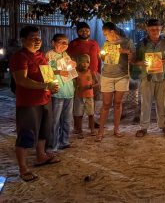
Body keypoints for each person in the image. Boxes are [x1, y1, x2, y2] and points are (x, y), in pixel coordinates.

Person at [9, 26, 61, 182]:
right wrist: (45, 86)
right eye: (33, 38)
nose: (37, 40)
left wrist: (55, 79)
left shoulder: (41, 56)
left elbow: (47, 74)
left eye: (38, 38)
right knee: (26, 134)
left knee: (44, 131)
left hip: (44, 99)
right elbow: (21, 80)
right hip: (28, 102)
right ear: (23, 40)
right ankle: (23, 168)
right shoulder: (20, 57)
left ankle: (41, 156)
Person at [96, 22, 135, 141]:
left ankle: (116, 129)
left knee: (118, 103)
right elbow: (103, 58)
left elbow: (133, 58)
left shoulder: (127, 41)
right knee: (106, 104)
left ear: (112, 32)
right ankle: (101, 131)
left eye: (105, 34)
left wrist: (126, 52)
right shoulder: (106, 43)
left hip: (122, 75)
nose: (105, 36)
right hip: (107, 75)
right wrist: (101, 55)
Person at [134, 19, 165, 137]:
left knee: (162, 103)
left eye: (157, 29)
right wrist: (142, 63)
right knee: (146, 103)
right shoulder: (141, 44)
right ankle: (144, 128)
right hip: (147, 78)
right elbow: (135, 61)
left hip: (162, 77)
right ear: (147, 30)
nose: (155, 31)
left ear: (161, 29)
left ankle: (163, 126)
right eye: (152, 29)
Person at [67, 22, 102, 127]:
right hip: (78, 75)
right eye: (81, 30)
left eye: (86, 30)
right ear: (77, 32)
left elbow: (98, 58)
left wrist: (98, 72)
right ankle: (77, 125)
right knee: (78, 98)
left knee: (95, 98)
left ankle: (93, 121)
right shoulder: (73, 44)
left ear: (89, 31)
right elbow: (68, 59)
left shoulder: (94, 43)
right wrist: (73, 74)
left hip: (94, 73)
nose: (84, 32)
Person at [45, 34, 76, 151]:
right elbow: (46, 71)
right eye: (61, 42)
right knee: (55, 119)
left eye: (66, 43)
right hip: (57, 91)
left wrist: (73, 65)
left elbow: (70, 71)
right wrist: (58, 72)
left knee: (67, 118)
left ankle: (65, 141)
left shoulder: (66, 55)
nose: (63, 45)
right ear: (53, 42)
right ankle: (52, 144)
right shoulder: (49, 55)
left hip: (68, 90)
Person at [74, 54, 99, 138]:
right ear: (79, 63)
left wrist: (91, 86)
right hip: (79, 96)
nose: (85, 64)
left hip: (89, 96)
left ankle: (92, 129)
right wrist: (78, 88)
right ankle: (79, 130)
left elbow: (97, 82)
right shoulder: (76, 73)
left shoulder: (91, 72)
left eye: (87, 62)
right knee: (79, 114)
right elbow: (74, 84)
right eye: (82, 62)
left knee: (91, 114)